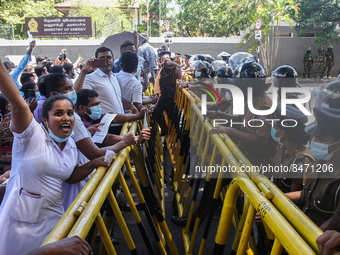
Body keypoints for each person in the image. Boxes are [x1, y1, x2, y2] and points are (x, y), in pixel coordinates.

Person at [0, 58, 108, 254]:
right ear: (44, 120)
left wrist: (93, 164)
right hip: (19, 229)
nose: (66, 118)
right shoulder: (32, 137)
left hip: (54, 225)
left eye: (69, 113)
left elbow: (69, 176)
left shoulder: (70, 146)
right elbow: (18, 105)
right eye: (58, 113)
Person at [285, 106, 340, 227]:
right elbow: (305, 195)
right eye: (314, 137)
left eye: (321, 139)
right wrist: (273, 198)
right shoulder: (319, 162)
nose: (314, 142)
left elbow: (334, 223)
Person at [82, 47, 146, 135]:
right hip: (106, 128)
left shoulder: (114, 77)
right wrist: (83, 71)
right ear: (96, 61)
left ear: (113, 60)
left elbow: (116, 100)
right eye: (102, 58)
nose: (106, 61)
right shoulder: (90, 79)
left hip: (121, 126)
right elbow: (80, 98)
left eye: (108, 57)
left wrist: (129, 106)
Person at [271, 104, 315, 193]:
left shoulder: (301, 159)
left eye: (275, 126)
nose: (272, 128)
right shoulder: (282, 148)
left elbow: (295, 193)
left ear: (282, 133)